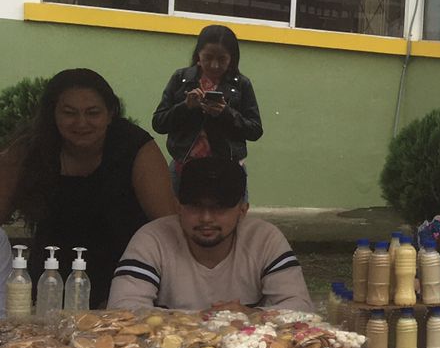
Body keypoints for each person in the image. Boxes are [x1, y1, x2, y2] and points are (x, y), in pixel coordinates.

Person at [0, 69, 178, 306]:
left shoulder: (136, 148)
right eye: (69, 113)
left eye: (93, 113)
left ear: (110, 113)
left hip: (125, 287)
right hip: (48, 285)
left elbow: (167, 225)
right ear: (52, 114)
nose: (81, 122)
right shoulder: (29, 149)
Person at [108, 157, 312, 313]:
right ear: (178, 207)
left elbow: (301, 308)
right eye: (195, 206)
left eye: (219, 207)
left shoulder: (264, 239)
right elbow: (122, 310)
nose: (206, 217)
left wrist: (251, 315)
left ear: (242, 210)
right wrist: (200, 321)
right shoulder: (152, 239)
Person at [151, 25, 263, 191]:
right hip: (184, 167)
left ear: (231, 59)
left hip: (228, 169)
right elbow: (159, 123)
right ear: (198, 55)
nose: (214, 65)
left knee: (228, 208)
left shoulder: (241, 84)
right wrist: (185, 107)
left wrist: (226, 113)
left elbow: (255, 130)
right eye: (208, 57)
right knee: (176, 208)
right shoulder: (181, 78)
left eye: (222, 59)